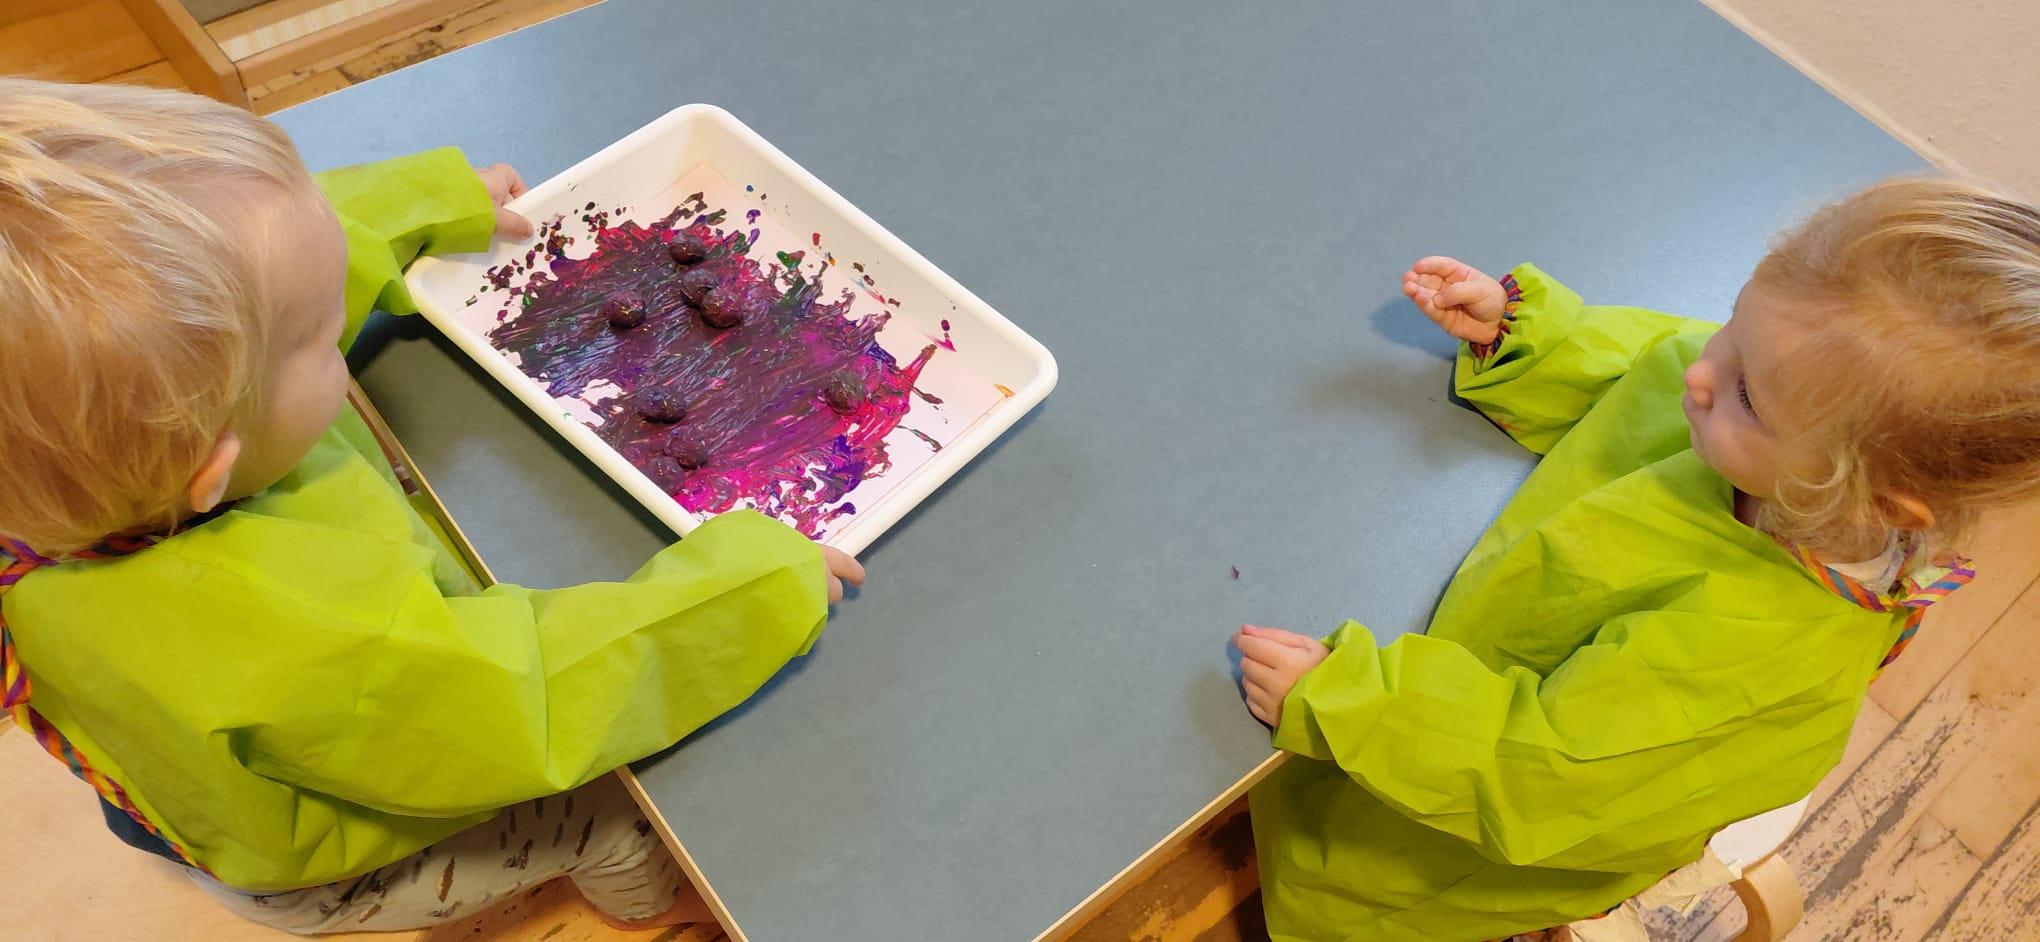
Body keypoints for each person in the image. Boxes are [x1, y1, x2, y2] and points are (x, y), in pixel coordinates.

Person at [0, 78, 863, 932]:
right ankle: (643, 902)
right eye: (319, 337)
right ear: (213, 467)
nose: (333, 325)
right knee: (614, 814)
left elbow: (252, 268)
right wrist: (746, 595)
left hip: (182, 752)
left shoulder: (77, 451)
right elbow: (530, 702)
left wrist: (422, 203)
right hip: (329, 848)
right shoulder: (297, 631)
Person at [1235, 179, 2040, 941]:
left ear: (1876, 503)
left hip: (1441, 818)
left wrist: (1352, 705)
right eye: (1733, 325)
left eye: (1747, 392)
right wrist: (1526, 337)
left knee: (1340, 876)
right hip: (1464, 678)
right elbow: (1645, 366)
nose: (1702, 370)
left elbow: (1540, 778)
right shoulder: (1776, 420)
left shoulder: (1754, 654)